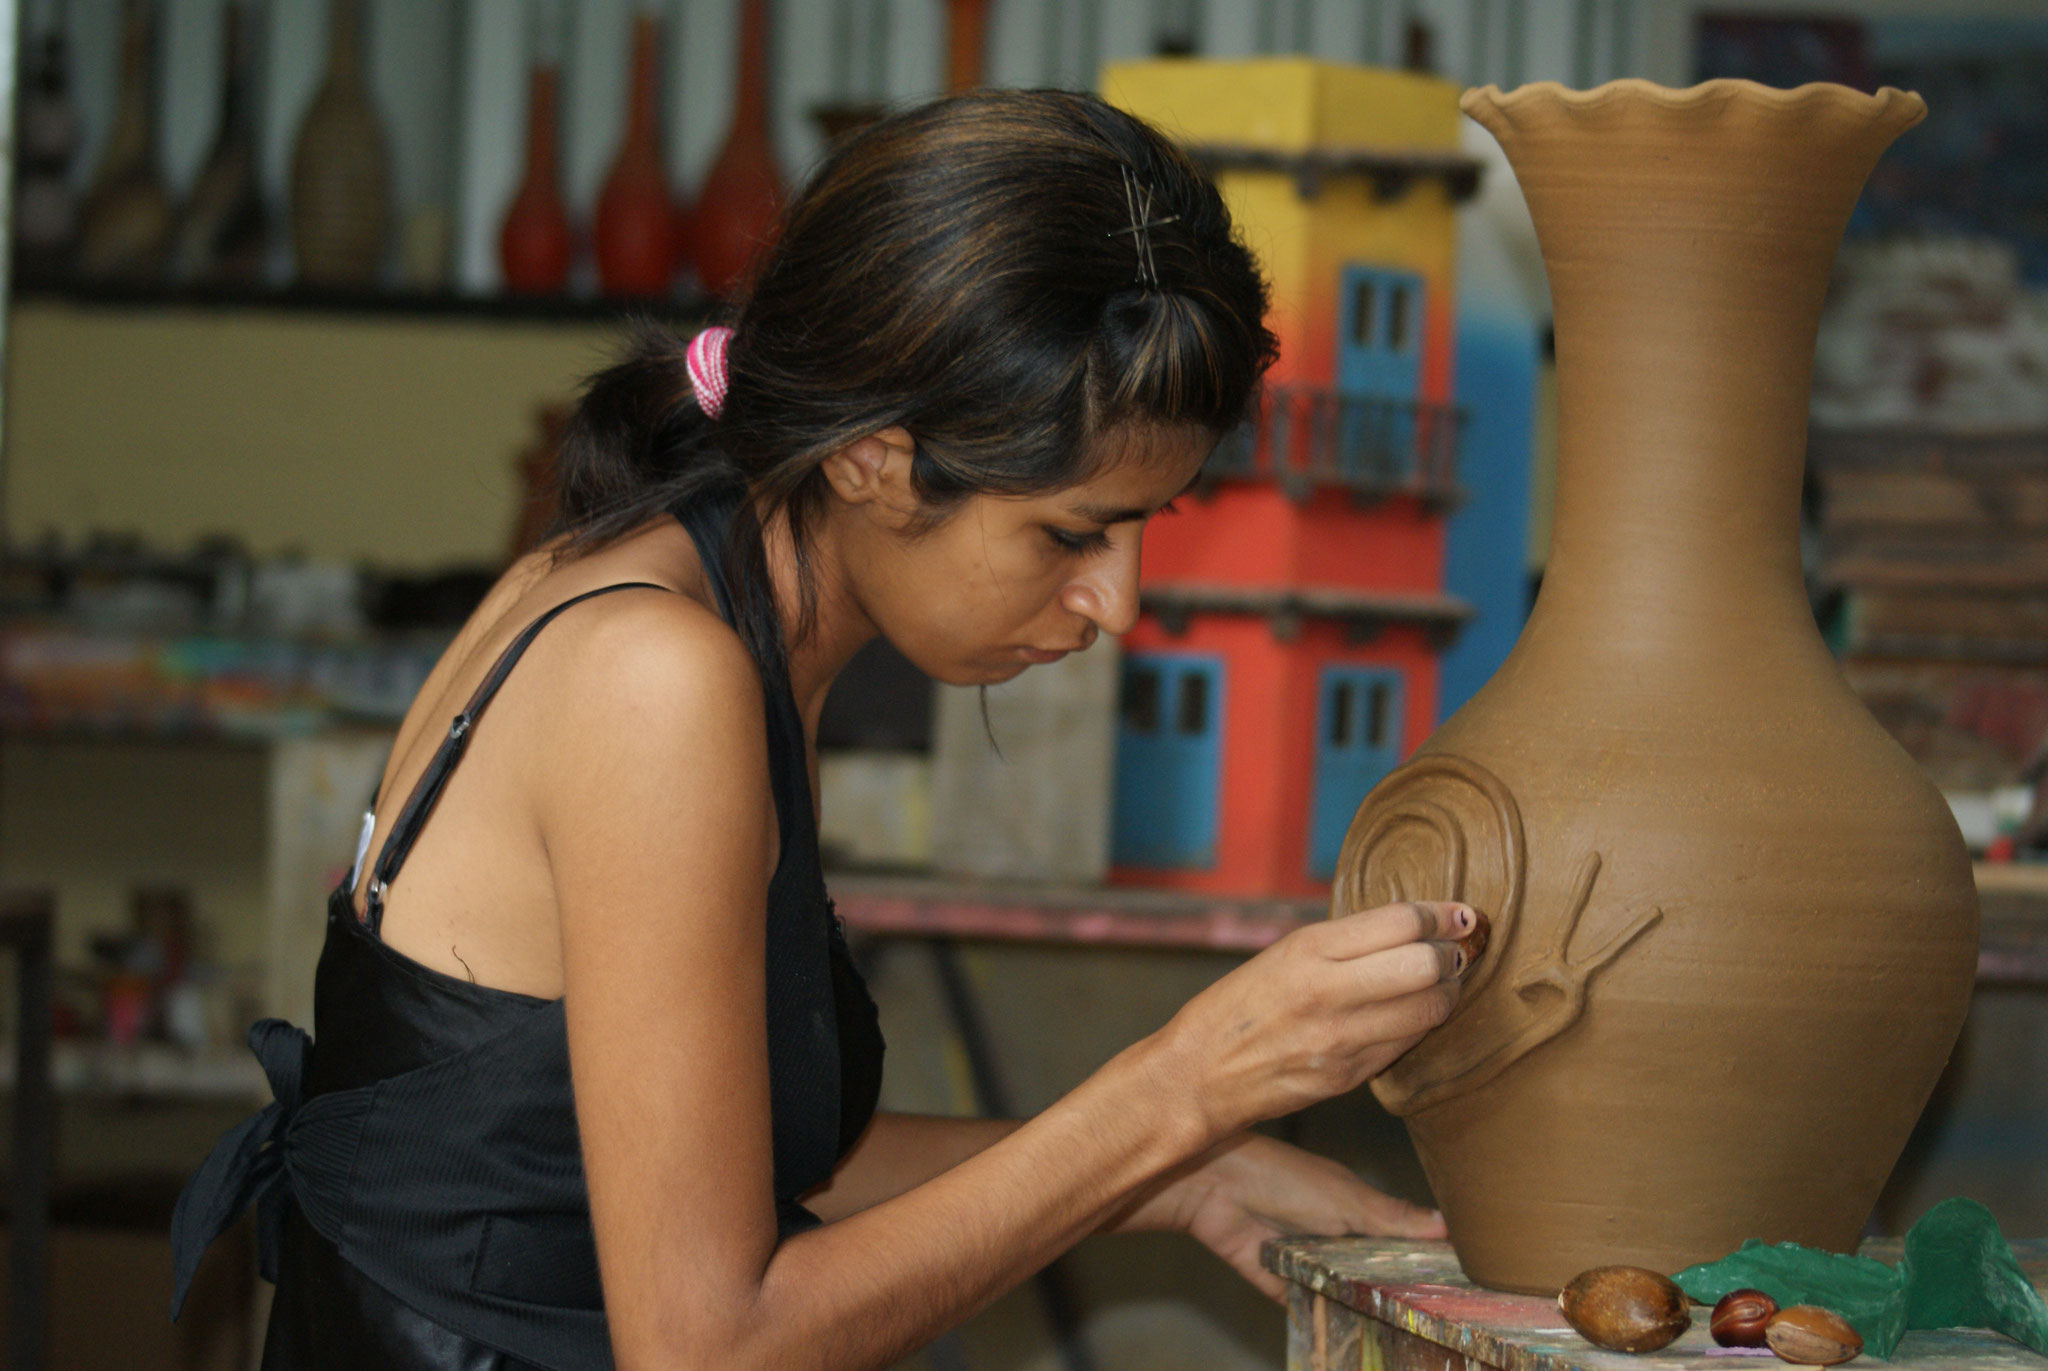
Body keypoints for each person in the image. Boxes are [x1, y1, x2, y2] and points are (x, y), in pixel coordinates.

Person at [172, 89, 1475, 1371]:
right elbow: (708, 1343)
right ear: (873, 454)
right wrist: (1179, 1088)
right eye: (1071, 532)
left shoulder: (698, 596)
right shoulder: (655, 678)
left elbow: (676, 1165)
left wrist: (1192, 1171)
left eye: (1149, 527)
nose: (1117, 603)